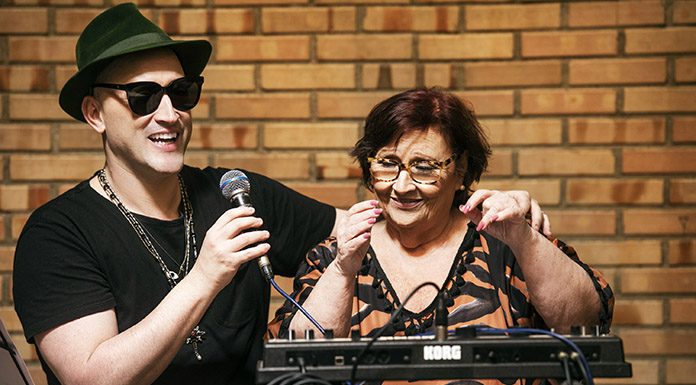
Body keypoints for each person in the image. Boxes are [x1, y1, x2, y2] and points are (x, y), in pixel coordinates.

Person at [11, 4, 341, 385]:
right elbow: (92, 379)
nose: (169, 114)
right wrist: (205, 276)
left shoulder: (238, 196)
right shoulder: (58, 233)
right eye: (143, 96)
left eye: (181, 92)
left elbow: (362, 233)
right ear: (95, 114)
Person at [268, 88, 614, 384]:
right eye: (387, 163)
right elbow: (298, 361)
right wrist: (344, 268)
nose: (402, 187)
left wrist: (523, 238)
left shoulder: (506, 245)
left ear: (460, 169)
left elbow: (585, 322)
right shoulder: (336, 255)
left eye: (424, 167)